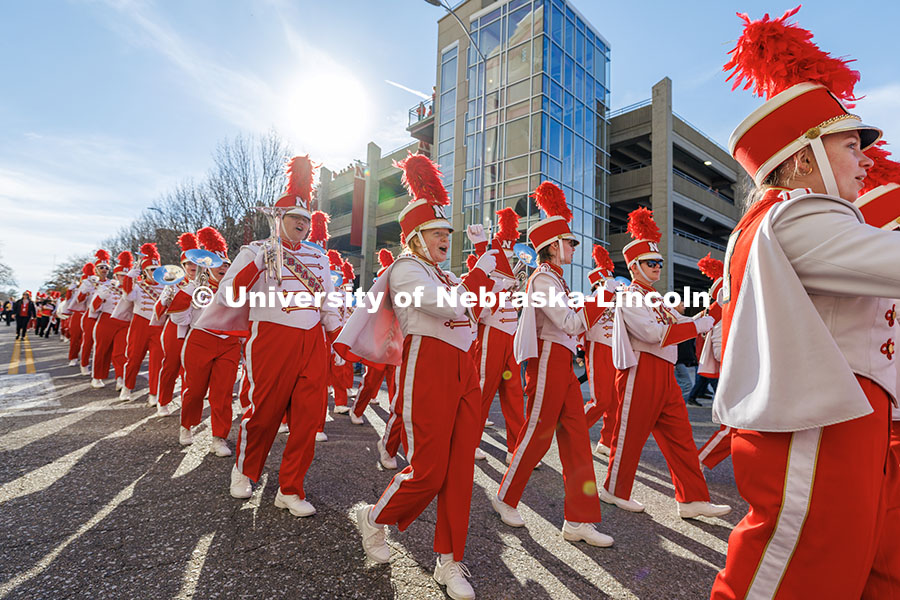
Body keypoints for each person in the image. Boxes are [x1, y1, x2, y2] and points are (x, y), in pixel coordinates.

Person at [709, 8, 897, 598]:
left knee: (842, 571)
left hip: (846, 415)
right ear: (801, 158)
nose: (865, 159)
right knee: (795, 578)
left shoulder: (794, 218)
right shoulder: (796, 213)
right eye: (850, 145)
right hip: (822, 421)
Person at [336, 153, 498, 600]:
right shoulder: (405, 269)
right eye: (437, 232)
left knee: (461, 470)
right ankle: (373, 517)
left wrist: (487, 274)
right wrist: (482, 276)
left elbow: (474, 309)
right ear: (415, 238)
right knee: (429, 470)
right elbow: (446, 306)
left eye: (448, 232)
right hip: (428, 365)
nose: (446, 238)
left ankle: (449, 560)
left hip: (465, 367)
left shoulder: (444, 273)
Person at [494, 181, 613, 548]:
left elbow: (573, 324)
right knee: (537, 434)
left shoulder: (556, 279)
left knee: (577, 439)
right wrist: (601, 299)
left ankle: (579, 518)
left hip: (560, 361)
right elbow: (571, 324)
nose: (575, 247)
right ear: (552, 245)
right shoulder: (543, 278)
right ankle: (506, 497)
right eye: (570, 242)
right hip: (548, 360)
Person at [226, 155, 342, 520]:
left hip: (311, 340)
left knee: (308, 419)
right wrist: (262, 259)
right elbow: (231, 292)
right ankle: (245, 470)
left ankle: (290, 487)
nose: (302, 226)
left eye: (306, 220)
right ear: (278, 220)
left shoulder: (319, 257)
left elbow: (328, 300)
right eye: (295, 219)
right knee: (263, 413)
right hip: (271, 336)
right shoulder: (256, 250)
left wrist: (337, 337)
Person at [601, 207, 729, 520]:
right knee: (629, 438)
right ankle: (613, 490)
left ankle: (692, 499)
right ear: (634, 266)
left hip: (664, 373)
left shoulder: (656, 298)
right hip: (641, 371)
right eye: (650, 263)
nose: (658, 267)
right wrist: (704, 321)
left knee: (681, 438)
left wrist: (715, 305)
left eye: (659, 262)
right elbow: (653, 333)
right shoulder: (629, 296)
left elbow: (684, 321)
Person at [168, 226, 237, 453]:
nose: (224, 268)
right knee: (195, 390)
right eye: (219, 264)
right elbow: (179, 318)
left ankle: (219, 438)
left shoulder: (236, 290)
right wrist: (188, 290)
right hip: (200, 340)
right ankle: (186, 425)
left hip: (228, 343)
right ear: (209, 267)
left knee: (223, 393)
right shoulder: (197, 286)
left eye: (227, 264)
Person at [466, 207, 526, 463]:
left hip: (510, 335)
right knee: (482, 391)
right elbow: (480, 294)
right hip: (491, 333)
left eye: (514, 257)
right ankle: (468, 442)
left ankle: (516, 447)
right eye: (509, 255)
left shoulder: (518, 269)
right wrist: (481, 247)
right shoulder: (491, 263)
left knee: (514, 392)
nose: (512, 261)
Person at [349, 249, 398, 426]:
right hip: (379, 347)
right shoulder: (376, 300)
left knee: (396, 384)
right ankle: (357, 410)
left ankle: (395, 416)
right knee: (371, 381)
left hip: (397, 348)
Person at [154, 232, 200, 413]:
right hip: (176, 329)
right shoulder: (173, 283)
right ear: (183, 265)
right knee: (171, 365)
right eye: (189, 263)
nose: (193, 266)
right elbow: (158, 309)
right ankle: (163, 401)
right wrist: (166, 298)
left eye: (196, 262)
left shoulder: (205, 282)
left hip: (197, 328)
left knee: (192, 369)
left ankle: (187, 405)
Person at [582, 245, 619, 456]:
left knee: (615, 401)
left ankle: (606, 441)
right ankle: (572, 430)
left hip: (616, 351)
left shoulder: (617, 300)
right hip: (598, 348)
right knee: (600, 400)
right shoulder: (592, 299)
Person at [119, 243, 163, 401]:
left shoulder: (166, 287)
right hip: (140, 324)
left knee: (157, 361)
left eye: (157, 269)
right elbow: (128, 297)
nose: (155, 272)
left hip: (158, 325)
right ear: (144, 271)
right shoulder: (139, 287)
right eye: (152, 269)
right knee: (134, 358)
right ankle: (127, 386)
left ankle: (154, 393)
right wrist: (130, 277)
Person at [90, 252, 132, 390]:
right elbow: (94, 308)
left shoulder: (133, 289)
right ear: (115, 276)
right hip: (106, 320)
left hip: (124, 322)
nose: (123, 278)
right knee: (101, 349)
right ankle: (97, 377)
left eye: (126, 276)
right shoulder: (106, 287)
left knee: (120, 352)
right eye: (121, 275)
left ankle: (120, 377)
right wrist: (101, 296)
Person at [77, 250, 112, 375]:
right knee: (88, 341)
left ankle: (101, 368)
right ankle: (84, 364)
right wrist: (84, 289)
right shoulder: (89, 282)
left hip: (105, 315)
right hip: (91, 315)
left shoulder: (111, 283)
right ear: (96, 269)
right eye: (101, 267)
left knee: (104, 344)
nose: (103, 270)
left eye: (106, 268)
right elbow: (79, 300)